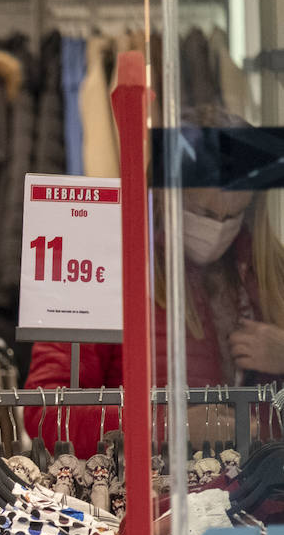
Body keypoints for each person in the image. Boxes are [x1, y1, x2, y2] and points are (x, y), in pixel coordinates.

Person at [25, 105, 284, 456]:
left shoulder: (266, 270)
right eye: (203, 213)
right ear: (163, 197)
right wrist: (167, 427)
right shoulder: (103, 267)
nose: (218, 227)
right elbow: (44, 413)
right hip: (153, 496)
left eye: (234, 215)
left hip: (259, 497)